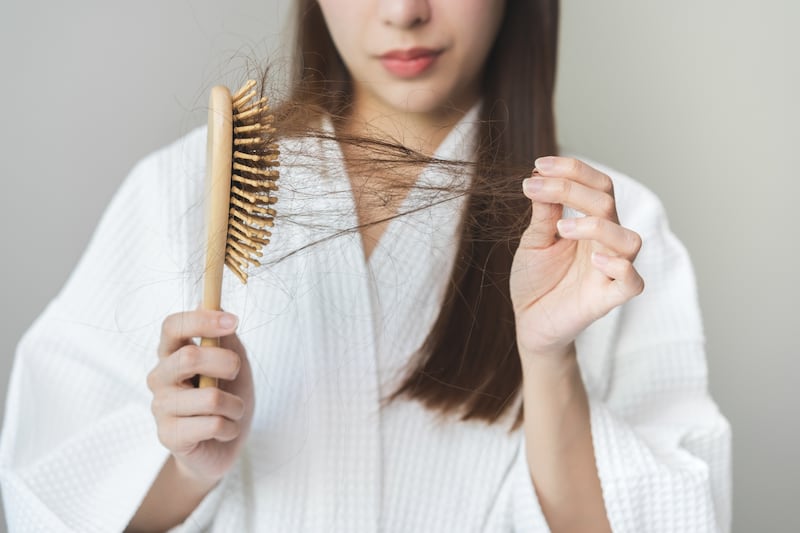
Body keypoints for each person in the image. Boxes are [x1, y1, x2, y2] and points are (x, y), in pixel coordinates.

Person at [0, 0, 731, 532]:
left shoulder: (606, 233)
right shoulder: (183, 189)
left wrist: (547, 359)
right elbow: (46, 498)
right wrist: (190, 467)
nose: (404, 11)